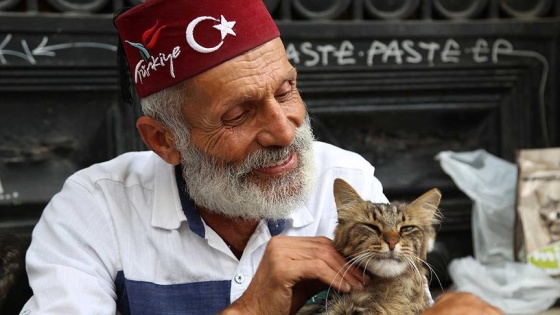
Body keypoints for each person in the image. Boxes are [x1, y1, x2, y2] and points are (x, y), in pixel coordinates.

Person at [20, 0, 503, 314]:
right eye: (238, 113)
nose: (283, 130)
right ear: (165, 141)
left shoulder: (342, 179)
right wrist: (249, 310)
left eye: (286, 90)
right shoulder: (94, 207)